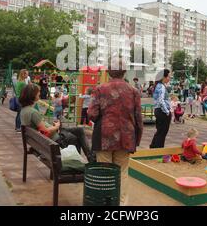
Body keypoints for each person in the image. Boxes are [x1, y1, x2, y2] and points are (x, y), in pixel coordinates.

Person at [88, 63, 143, 206]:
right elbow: (138, 118)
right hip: (126, 137)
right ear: (124, 72)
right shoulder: (133, 91)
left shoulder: (100, 89)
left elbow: (92, 114)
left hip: (104, 137)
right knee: (123, 172)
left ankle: (106, 203)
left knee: (105, 173)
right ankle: (121, 205)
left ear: (109, 72)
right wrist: (137, 139)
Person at [19, 84, 93, 162]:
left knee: (79, 130)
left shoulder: (24, 110)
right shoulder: (33, 112)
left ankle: (89, 158)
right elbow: (46, 132)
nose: (39, 93)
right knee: (75, 137)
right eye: (38, 92)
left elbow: (43, 130)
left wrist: (54, 126)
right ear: (32, 95)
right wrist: (57, 126)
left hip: (43, 140)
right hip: (54, 140)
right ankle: (80, 162)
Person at [149, 69, 172, 149]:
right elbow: (161, 100)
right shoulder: (161, 86)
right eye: (169, 76)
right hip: (162, 111)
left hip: (158, 110)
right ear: (164, 77)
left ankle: (153, 147)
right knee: (162, 132)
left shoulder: (158, 85)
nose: (170, 78)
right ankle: (158, 149)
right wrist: (167, 111)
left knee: (159, 131)